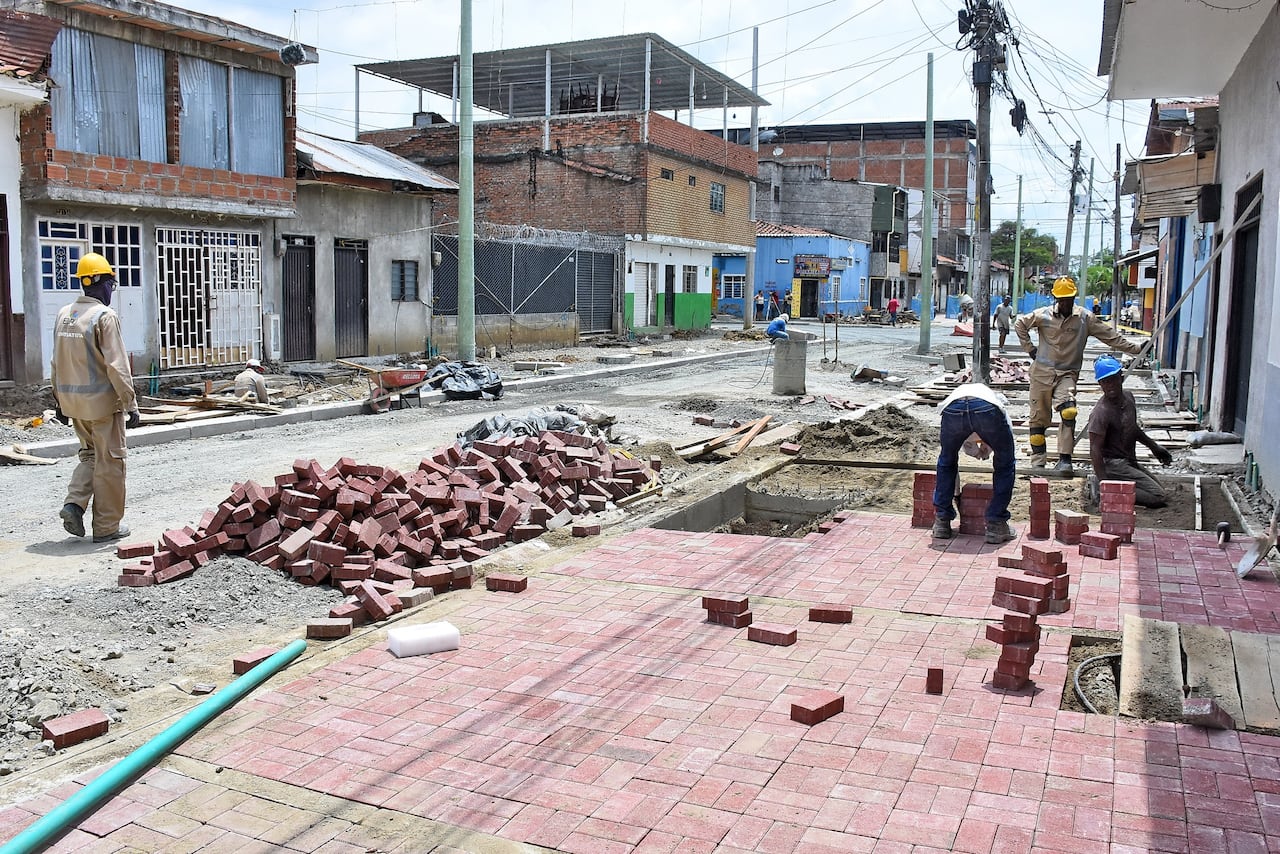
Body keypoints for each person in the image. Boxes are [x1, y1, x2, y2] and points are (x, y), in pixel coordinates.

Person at [1013, 276, 1143, 476]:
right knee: (1038, 421)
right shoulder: (1043, 316)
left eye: (1069, 298)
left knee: (1069, 411)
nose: (1065, 303)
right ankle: (1038, 463)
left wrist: (1136, 348)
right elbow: (1020, 324)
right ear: (1056, 297)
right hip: (1041, 374)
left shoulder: (1084, 318)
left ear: (1074, 297)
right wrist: (1030, 349)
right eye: (1062, 299)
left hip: (1067, 373)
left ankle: (1065, 459)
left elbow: (1110, 336)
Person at [51, 253, 140, 543]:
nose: (111, 292)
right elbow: (117, 365)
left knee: (90, 456)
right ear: (101, 284)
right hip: (103, 406)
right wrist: (130, 403)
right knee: (111, 464)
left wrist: (59, 402)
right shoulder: (104, 316)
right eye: (111, 285)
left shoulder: (65, 314)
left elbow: (56, 363)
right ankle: (106, 527)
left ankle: (73, 504)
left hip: (74, 406)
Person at [931, 382, 1017, 544]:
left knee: (946, 461)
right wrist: (988, 448)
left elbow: (958, 456)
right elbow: (1002, 442)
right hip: (985, 409)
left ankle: (942, 521)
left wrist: (954, 497)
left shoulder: (965, 393)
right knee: (1005, 463)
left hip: (953, 408)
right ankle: (996, 524)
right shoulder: (996, 407)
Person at [1086, 355, 1173, 508]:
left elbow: (1132, 428)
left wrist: (1155, 448)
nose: (1110, 385)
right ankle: (1100, 489)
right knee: (1158, 495)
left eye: (1113, 379)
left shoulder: (1128, 398)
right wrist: (1104, 482)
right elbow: (1095, 450)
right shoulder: (1101, 413)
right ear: (1100, 383)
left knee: (1158, 488)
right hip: (1112, 464)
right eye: (1105, 382)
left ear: (1121, 377)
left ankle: (1109, 485)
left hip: (1128, 461)